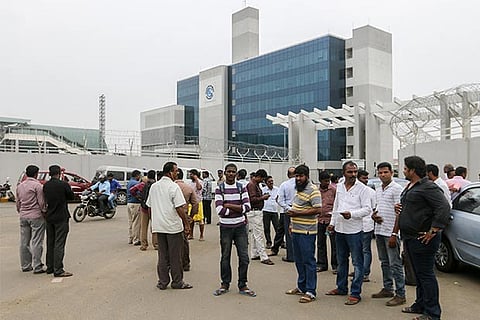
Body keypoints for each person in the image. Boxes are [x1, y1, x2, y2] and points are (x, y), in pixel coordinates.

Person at [397, 156, 450, 320]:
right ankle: (420, 304)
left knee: (426, 275)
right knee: (419, 275)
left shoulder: (429, 187)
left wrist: (433, 230)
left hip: (423, 239)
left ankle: (432, 313)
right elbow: (415, 206)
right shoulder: (411, 186)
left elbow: (443, 208)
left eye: (406, 168)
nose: (404, 171)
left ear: (413, 170)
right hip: (410, 237)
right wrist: (400, 206)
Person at [326, 161, 372, 305]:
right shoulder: (339, 186)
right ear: (343, 173)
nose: (353, 175)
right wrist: (332, 223)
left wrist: (351, 214)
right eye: (350, 172)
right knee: (341, 260)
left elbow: (367, 209)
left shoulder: (362, 189)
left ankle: (355, 293)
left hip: (354, 230)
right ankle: (341, 287)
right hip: (340, 229)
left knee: (357, 262)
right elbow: (336, 205)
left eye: (355, 172)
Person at [146, 162, 192, 290]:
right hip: (173, 227)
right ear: (170, 172)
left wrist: (153, 221)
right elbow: (179, 208)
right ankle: (177, 282)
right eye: (176, 171)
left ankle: (163, 282)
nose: (177, 173)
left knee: (162, 255)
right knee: (175, 256)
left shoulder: (154, 187)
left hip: (159, 226)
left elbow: (149, 208)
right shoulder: (173, 187)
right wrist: (186, 224)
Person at [214, 163, 255, 297]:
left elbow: (247, 207)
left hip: (240, 227)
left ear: (236, 174)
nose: (231, 174)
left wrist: (229, 205)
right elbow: (220, 210)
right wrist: (238, 208)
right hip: (225, 227)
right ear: (225, 173)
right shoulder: (220, 189)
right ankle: (225, 283)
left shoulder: (241, 188)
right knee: (225, 256)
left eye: (233, 172)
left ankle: (242, 284)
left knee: (244, 257)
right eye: (229, 171)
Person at [285, 165, 322, 303]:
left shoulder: (313, 190)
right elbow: (295, 207)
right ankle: (301, 287)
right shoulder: (298, 190)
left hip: (307, 231)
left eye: (301, 176)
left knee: (308, 261)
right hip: (296, 230)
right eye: (296, 176)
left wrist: (297, 213)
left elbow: (318, 209)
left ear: (307, 176)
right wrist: (291, 223)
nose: (298, 179)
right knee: (299, 261)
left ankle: (310, 291)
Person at [371, 162, 406, 307]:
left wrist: (394, 233)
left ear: (392, 173)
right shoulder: (378, 189)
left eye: (385, 172)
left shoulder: (397, 189)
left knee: (395, 264)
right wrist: (374, 216)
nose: (382, 175)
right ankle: (387, 288)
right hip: (379, 230)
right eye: (380, 173)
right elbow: (378, 207)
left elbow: (400, 212)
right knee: (384, 262)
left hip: (391, 232)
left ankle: (400, 294)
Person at [43, 164, 74, 277]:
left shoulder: (46, 186)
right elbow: (71, 196)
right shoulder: (63, 184)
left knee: (50, 242)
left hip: (49, 216)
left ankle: (50, 266)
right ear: (59, 173)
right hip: (61, 216)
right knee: (59, 243)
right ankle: (58, 269)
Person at [16, 165, 47, 274]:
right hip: (36, 215)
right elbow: (41, 202)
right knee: (37, 241)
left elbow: (18, 202)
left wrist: (21, 211)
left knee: (24, 242)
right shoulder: (37, 186)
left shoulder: (20, 186)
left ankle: (25, 265)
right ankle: (37, 265)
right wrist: (44, 212)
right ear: (36, 174)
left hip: (23, 215)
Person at [246, 169, 274, 265]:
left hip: (255, 211)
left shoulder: (254, 184)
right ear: (259, 177)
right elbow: (252, 199)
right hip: (254, 212)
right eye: (262, 179)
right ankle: (263, 256)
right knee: (259, 235)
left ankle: (254, 253)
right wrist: (263, 197)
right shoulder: (252, 185)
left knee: (254, 234)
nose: (262, 181)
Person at [175, 168, 199, 271]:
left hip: (171, 217)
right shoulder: (188, 188)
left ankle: (171, 263)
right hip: (184, 216)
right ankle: (185, 263)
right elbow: (195, 204)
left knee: (170, 242)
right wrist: (190, 217)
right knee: (184, 241)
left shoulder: (171, 187)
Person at [130, 170, 158, 251]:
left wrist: (138, 197)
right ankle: (156, 244)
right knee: (154, 227)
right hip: (154, 208)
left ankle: (144, 244)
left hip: (144, 208)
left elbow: (132, 190)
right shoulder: (156, 186)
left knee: (144, 227)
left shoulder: (142, 184)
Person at [356, 169, 376, 282]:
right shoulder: (354, 191)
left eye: (367, 178)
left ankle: (365, 273)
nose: (366, 180)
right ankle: (359, 270)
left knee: (365, 250)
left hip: (367, 225)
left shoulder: (371, 192)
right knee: (357, 251)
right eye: (364, 178)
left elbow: (374, 209)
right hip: (355, 226)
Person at [316, 170, 337, 274]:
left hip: (331, 221)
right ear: (320, 181)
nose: (327, 183)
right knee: (320, 243)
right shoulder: (316, 191)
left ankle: (335, 265)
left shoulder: (333, 190)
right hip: (320, 220)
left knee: (334, 244)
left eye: (328, 181)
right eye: (325, 181)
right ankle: (321, 264)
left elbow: (337, 203)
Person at [276, 166, 296, 262]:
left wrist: (288, 208)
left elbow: (279, 200)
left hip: (288, 211)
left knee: (289, 234)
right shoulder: (301, 183)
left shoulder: (284, 185)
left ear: (288, 175)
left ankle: (291, 256)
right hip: (300, 211)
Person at [261, 176, 280, 250]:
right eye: (269, 181)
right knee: (266, 228)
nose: (271, 182)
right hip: (266, 210)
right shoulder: (263, 190)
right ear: (266, 183)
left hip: (274, 210)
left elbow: (279, 198)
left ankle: (279, 242)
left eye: (272, 181)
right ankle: (268, 242)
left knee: (277, 228)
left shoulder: (277, 189)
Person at [188, 169, 205, 241]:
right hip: (191, 203)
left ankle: (201, 235)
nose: (190, 175)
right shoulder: (190, 183)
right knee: (191, 219)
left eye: (191, 174)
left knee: (200, 219)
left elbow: (199, 188)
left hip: (198, 202)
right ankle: (191, 234)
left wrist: (196, 180)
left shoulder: (200, 182)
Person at [127, 170, 142, 245]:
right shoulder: (136, 183)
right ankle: (136, 240)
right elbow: (139, 192)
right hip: (135, 203)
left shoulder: (129, 182)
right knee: (136, 222)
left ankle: (131, 238)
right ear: (137, 175)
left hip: (129, 203)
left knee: (131, 221)